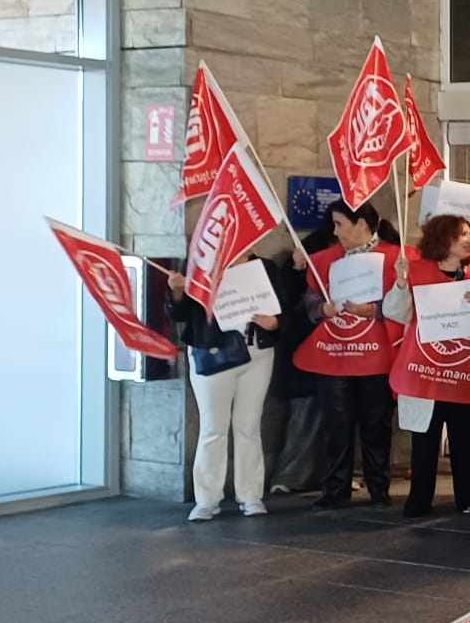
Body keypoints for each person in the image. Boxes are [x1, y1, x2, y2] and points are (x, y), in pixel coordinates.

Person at [385, 212, 470, 516]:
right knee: (424, 442)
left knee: (468, 440)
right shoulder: (414, 271)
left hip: (465, 373)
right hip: (424, 371)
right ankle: (419, 500)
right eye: (462, 234)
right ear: (444, 238)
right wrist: (401, 284)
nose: (469, 240)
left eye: (469, 234)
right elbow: (396, 313)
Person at [297, 202, 403, 510]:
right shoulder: (323, 261)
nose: (334, 231)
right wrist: (321, 309)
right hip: (334, 353)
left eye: (339, 224)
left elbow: (407, 302)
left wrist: (378, 310)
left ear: (361, 224)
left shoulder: (395, 258)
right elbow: (310, 300)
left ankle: (379, 487)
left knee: (376, 423)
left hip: (376, 354)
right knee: (336, 423)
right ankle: (336, 487)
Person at [167, 250, 285, 521]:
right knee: (213, 428)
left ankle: (251, 495)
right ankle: (207, 499)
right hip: (214, 352)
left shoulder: (263, 265)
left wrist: (275, 322)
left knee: (249, 426)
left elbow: (283, 308)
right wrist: (176, 292)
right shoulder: (199, 264)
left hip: (257, 351)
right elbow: (180, 313)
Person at [260, 238, 324, 497]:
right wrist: (297, 268)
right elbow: (287, 302)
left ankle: (322, 474)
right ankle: (289, 475)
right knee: (304, 418)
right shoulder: (305, 256)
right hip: (303, 355)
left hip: (331, 354)